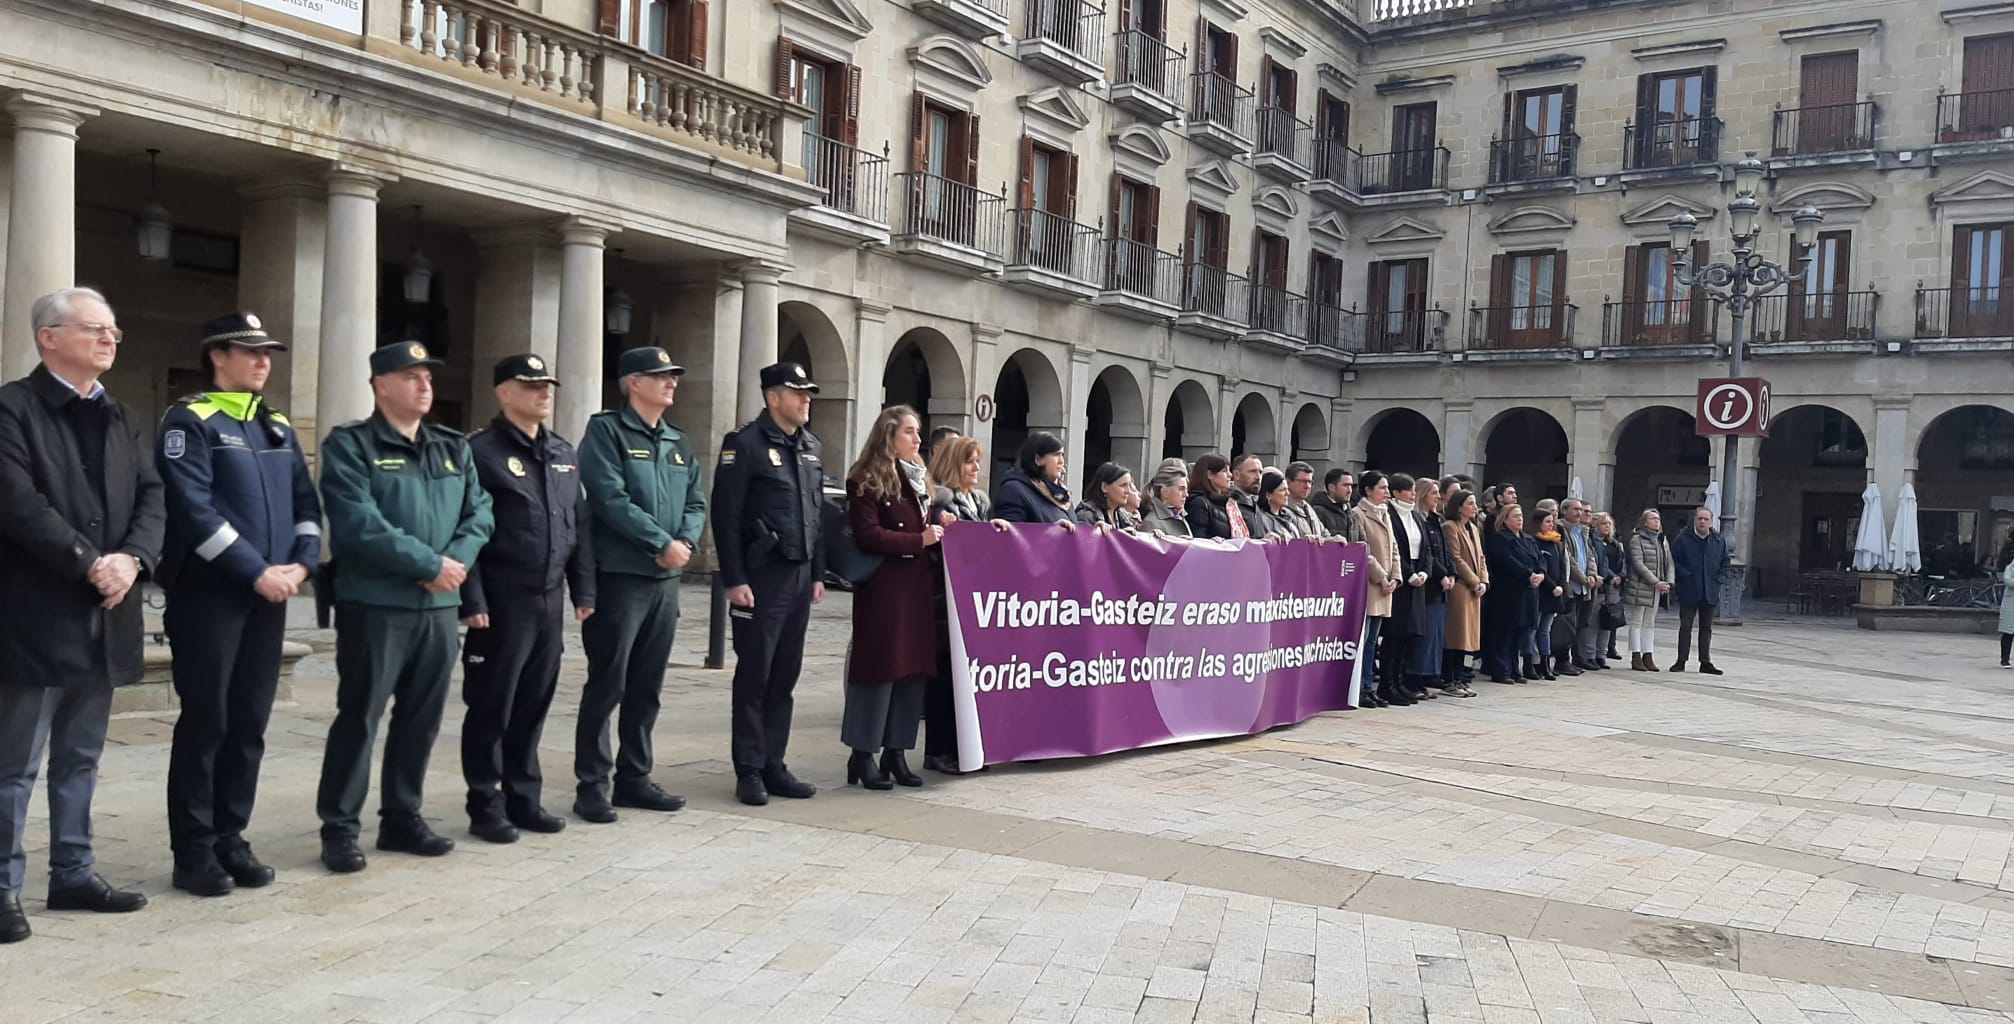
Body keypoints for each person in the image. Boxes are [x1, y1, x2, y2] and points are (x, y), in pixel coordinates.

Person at [0, 288, 164, 942]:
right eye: (95, 329)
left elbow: (153, 495)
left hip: (107, 612)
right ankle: (3, 888)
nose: (109, 340)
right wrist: (87, 560)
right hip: (36, 613)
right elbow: (15, 501)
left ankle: (73, 871)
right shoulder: (12, 408)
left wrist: (133, 559)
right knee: (15, 762)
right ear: (48, 337)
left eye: (115, 331)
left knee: (81, 757)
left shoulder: (121, 415)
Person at [315, 341, 495, 874]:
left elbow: (479, 513)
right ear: (381, 384)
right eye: (411, 376)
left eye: (428, 377)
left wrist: (455, 563)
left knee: (422, 717)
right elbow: (358, 522)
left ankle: (402, 816)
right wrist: (427, 563)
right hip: (376, 604)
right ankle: (340, 827)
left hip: (439, 606)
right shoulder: (352, 445)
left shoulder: (451, 447)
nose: (424, 385)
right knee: (361, 716)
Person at [157, 312, 319, 897]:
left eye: (267, 353)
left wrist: (302, 562)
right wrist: (255, 571)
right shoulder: (191, 420)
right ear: (216, 356)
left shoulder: (275, 425)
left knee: (250, 720)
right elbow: (192, 509)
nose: (262, 361)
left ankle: (231, 836)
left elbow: (306, 501)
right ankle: (194, 850)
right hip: (211, 595)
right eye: (248, 352)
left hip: (270, 593)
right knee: (208, 721)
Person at [457, 355, 595, 845]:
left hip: (548, 598)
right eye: (531, 385)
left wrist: (584, 588)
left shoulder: (561, 450)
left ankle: (523, 796)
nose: (543, 392)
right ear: (504, 392)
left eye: (546, 385)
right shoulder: (480, 451)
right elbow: (465, 527)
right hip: (501, 597)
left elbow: (576, 522)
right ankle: (485, 802)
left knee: (534, 701)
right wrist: (470, 598)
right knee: (492, 702)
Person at [575, 347, 707, 820]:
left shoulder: (677, 440)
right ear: (633, 382)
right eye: (660, 376)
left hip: (665, 580)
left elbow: (696, 500)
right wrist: (658, 541)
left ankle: (635, 778)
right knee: (607, 682)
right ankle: (592, 783)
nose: (671, 382)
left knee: (647, 685)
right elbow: (609, 498)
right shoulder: (606, 431)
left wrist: (684, 543)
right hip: (621, 578)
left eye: (673, 376)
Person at [714, 362, 827, 806]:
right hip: (762, 578)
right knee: (755, 675)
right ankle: (749, 769)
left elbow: (817, 515)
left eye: (808, 393)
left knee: (785, 675)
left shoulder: (811, 447)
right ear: (772, 397)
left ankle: (774, 763)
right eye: (796, 392)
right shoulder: (744, 445)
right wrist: (734, 578)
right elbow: (726, 517)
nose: (806, 400)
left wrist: (818, 573)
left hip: (799, 576)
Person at [842, 407, 940, 790]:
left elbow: (921, 527)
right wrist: (918, 540)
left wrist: (937, 527)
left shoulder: (918, 480)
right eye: (910, 433)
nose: (918, 440)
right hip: (883, 588)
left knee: (912, 669)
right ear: (889, 435)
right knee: (878, 670)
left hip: (915, 586)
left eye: (918, 433)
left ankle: (897, 751)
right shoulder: (866, 479)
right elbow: (868, 535)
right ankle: (862, 753)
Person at [924, 435, 989, 773]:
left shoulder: (977, 499)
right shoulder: (943, 500)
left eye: (977, 461)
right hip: (943, 602)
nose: (976, 468)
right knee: (944, 683)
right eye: (969, 461)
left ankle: (961, 747)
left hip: (968, 603)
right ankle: (939, 750)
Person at [1379, 474, 1430, 702]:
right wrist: (1408, 574)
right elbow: (1395, 549)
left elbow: (1426, 549)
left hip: (1417, 583)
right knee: (1394, 636)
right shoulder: (1389, 515)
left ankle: (1400, 682)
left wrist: (1424, 572)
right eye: (1409, 491)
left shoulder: (1417, 517)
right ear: (1398, 493)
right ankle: (1387, 685)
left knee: (1409, 637)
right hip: (1400, 582)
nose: (1413, 495)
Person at [1409, 481, 1463, 696]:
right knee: (1424, 635)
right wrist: (1441, 574)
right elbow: (1428, 552)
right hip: (1428, 584)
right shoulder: (1418, 520)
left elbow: (1446, 552)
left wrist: (1451, 573)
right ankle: (1416, 678)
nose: (1437, 497)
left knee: (1436, 636)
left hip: (1442, 586)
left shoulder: (1436, 520)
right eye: (1433, 493)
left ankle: (1429, 674)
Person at [1483, 504, 1544, 685]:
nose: (1520, 519)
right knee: (1504, 632)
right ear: (1505, 519)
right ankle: (1501, 670)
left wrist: (1540, 573)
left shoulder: (1528, 539)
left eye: (1521, 516)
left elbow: (1539, 558)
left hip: (1528, 592)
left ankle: (1514, 669)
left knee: (1520, 631)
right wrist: (1528, 574)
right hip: (1507, 592)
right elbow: (1507, 561)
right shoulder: (1500, 539)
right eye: (1515, 516)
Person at [1355, 472, 1402, 705]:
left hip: (1386, 587)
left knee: (1374, 640)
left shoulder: (1386, 514)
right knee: (1365, 640)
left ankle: (1368, 685)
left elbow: (1393, 548)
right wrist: (1382, 577)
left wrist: (1396, 576)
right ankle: (1361, 688)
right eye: (1382, 488)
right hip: (1371, 584)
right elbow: (1364, 549)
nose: (1386, 492)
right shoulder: (1359, 514)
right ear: (1368, 490)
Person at [1669, 506, 1730, 675]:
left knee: (1706, 628)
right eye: (1699, 519)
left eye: (1705, 519)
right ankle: (1681, 660)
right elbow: (1674, 559)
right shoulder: (1683, 539)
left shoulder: (1718, 540)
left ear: (1711, 522)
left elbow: (1725, 562)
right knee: (1686, 626)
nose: (1702, 522)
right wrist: (1685, 575)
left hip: (1709, 590)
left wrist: (1719, 579)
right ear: (1695, 520)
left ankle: (1705, 662)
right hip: (1689, 588)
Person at [1442, 490, 1488, 688]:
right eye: (1470, 503)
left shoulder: (1474, 529)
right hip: (1461, 587)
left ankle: (1460, 675)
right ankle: (1449, 677)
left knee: (1467, 636)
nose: (1475, 507)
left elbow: (1481, 558)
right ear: (1459, 507)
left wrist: (1484, 581)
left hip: (1474, 589)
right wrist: (1474, 580)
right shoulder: (1450, 527)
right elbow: (1455, 557)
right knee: (1456, 634)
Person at [1623, 509, 1674, 672]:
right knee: (1636, 621)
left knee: (1650, 623)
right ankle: (1636, 655)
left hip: (1657, 588)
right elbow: (1638, 564)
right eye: (1652, 519)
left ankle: (1648, 655)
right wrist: (1655, 582)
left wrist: (1668, 582)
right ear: (1644, 522)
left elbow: (1670, 562)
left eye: (1658, 519)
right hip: (1640, 586)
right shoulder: (1637, 539)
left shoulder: (1662, 540)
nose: (1656, 521)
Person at [993, 432, 1072, 524]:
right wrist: (1051, 532)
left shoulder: (1062, 494)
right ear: (1038, 459)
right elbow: (1010, 534)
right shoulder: (1013, 491)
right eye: (1056, 455)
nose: (1061, 461)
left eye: (1062, 455)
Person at [1563, 500, 1605, 672]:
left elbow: (1589, 556)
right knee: (1568, 624)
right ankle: (1563, 659)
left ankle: (1578, 657)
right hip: (1573, 585)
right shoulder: (1564, 530)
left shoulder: (1583, 532)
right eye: (1576, 509)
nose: (1580, 513)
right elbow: (1568, 559)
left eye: (1582, 510)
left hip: (1586, 586)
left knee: (1581, 623)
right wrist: (1583, 578)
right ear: (1564, 511)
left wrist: (1593, 575)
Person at [1531, 507, 1568, 681]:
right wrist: (1551, 586)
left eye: (1552, 521)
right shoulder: (1534, 542)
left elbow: (1561, 567)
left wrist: (1560, 585)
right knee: (1535, 628)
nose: (1551, 524)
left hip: (1555, 593)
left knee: (1545, 629)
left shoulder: (1556, 543)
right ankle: (1534, 662)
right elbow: (1540, 567)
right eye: (1547, 521)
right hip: (1542, 592)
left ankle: (1546, 663)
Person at [1184, 454, 1249, 541]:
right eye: (1224, 471)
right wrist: (1212, 542)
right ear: (1210, 474)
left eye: (1229, 471)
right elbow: (1198, 540)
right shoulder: (1199, 503)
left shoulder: (1231, 503)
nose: (1230, 475)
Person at [1594, 512, 1627, 662]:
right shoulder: (1596, 543)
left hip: (1615, 583)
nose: (1607, 526)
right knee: (1598, 617)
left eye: (1609, 523)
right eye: (1603, 523)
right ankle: (1596, 651)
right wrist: (1611, 576)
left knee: (1613, 615)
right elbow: (1601, 562)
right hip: (1603, 581)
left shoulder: (1616, 544)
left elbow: (1623, 560)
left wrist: (1621, 575)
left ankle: (1609, 647)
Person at [1075, 462, 1140, 529]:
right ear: (1104, 487)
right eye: (1123, 485)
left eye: (1129, 486)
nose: (1128, 491)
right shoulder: (1087, 516)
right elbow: (1080, 538)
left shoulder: (1124, 518)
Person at [1141, 463, 1191, 537]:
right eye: (1181, 489)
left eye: (1186, 489)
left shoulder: (1179, 516)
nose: (1186, 494)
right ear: (1165, 492)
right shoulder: (1151, 523)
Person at [1229, 454, 1273, 539]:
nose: (1258, 477)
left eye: (1260, 472)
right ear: (1236, 475)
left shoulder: (1255, 504)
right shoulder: (1227, 503)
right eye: (1252, 471)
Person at [1279, 462, 1327, 539]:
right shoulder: (1281, 508)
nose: (1307, 486)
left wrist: (1332, 539)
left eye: (1310, 482)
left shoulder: (1309, 509)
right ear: (1288, 482)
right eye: (1303, 481)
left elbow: (1323, 533)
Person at [1311, 468, 1358, 540]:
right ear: (1331, 488)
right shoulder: (1318, 512)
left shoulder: (1351, 513)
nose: (1349, 490)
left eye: (1351, 486)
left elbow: (1363, 541)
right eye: (1345, 485)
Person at [1258, 469, 1296, 538]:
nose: (1288, 493)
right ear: (1268, 495)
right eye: (1282, 490)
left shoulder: (1290, 517)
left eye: (1287, 489)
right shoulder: (1261, 520)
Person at [1999, 556, 2014, 669]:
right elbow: (2008, 581)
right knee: (2007, 634)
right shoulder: (2010, 568)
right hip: (2010, 606)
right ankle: (2004, 659)